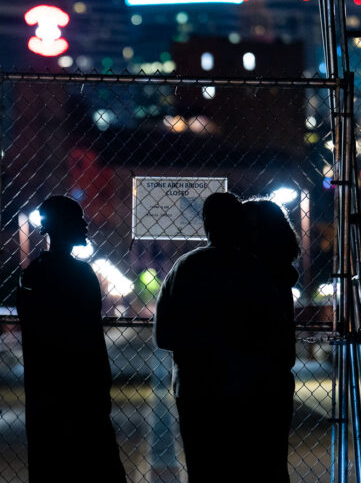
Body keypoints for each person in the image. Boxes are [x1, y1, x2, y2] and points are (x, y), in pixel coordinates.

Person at [154, 192, 292, 482]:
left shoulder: (184, 267)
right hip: (247, 389)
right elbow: (275, 332)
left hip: (195, 389)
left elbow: (163, 336)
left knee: (203, 468)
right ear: (238, 225)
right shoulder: (255, 271)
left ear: (205, 223)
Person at [17, 195, 127, 483]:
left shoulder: (33, 275)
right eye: (78, 220)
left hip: (45, 393)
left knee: (51, 466)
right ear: (63, 225)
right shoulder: (80, 274)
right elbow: (90, 337)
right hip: (82, 393)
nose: (85, 225)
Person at [241, 198, 301, 481]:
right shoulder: (278, 275)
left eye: (250, 228)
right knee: (271, 463)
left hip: (259, 383)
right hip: (270, 381)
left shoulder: (262, 276)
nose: (242, 234)